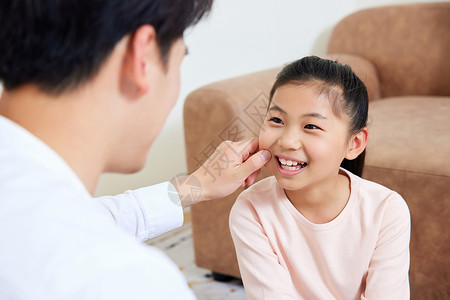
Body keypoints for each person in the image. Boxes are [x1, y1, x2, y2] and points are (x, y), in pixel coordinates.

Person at [0, 1, 272, 299]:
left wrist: (193, 187)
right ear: (142, 56)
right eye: (181, 61)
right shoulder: (124, 280)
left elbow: (84, 217)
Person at [229, 56, 411, 300]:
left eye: (311, 126)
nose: (287, 141)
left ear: (354, 143)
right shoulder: (251, 209)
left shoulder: (387, 210)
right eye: (276, 120)